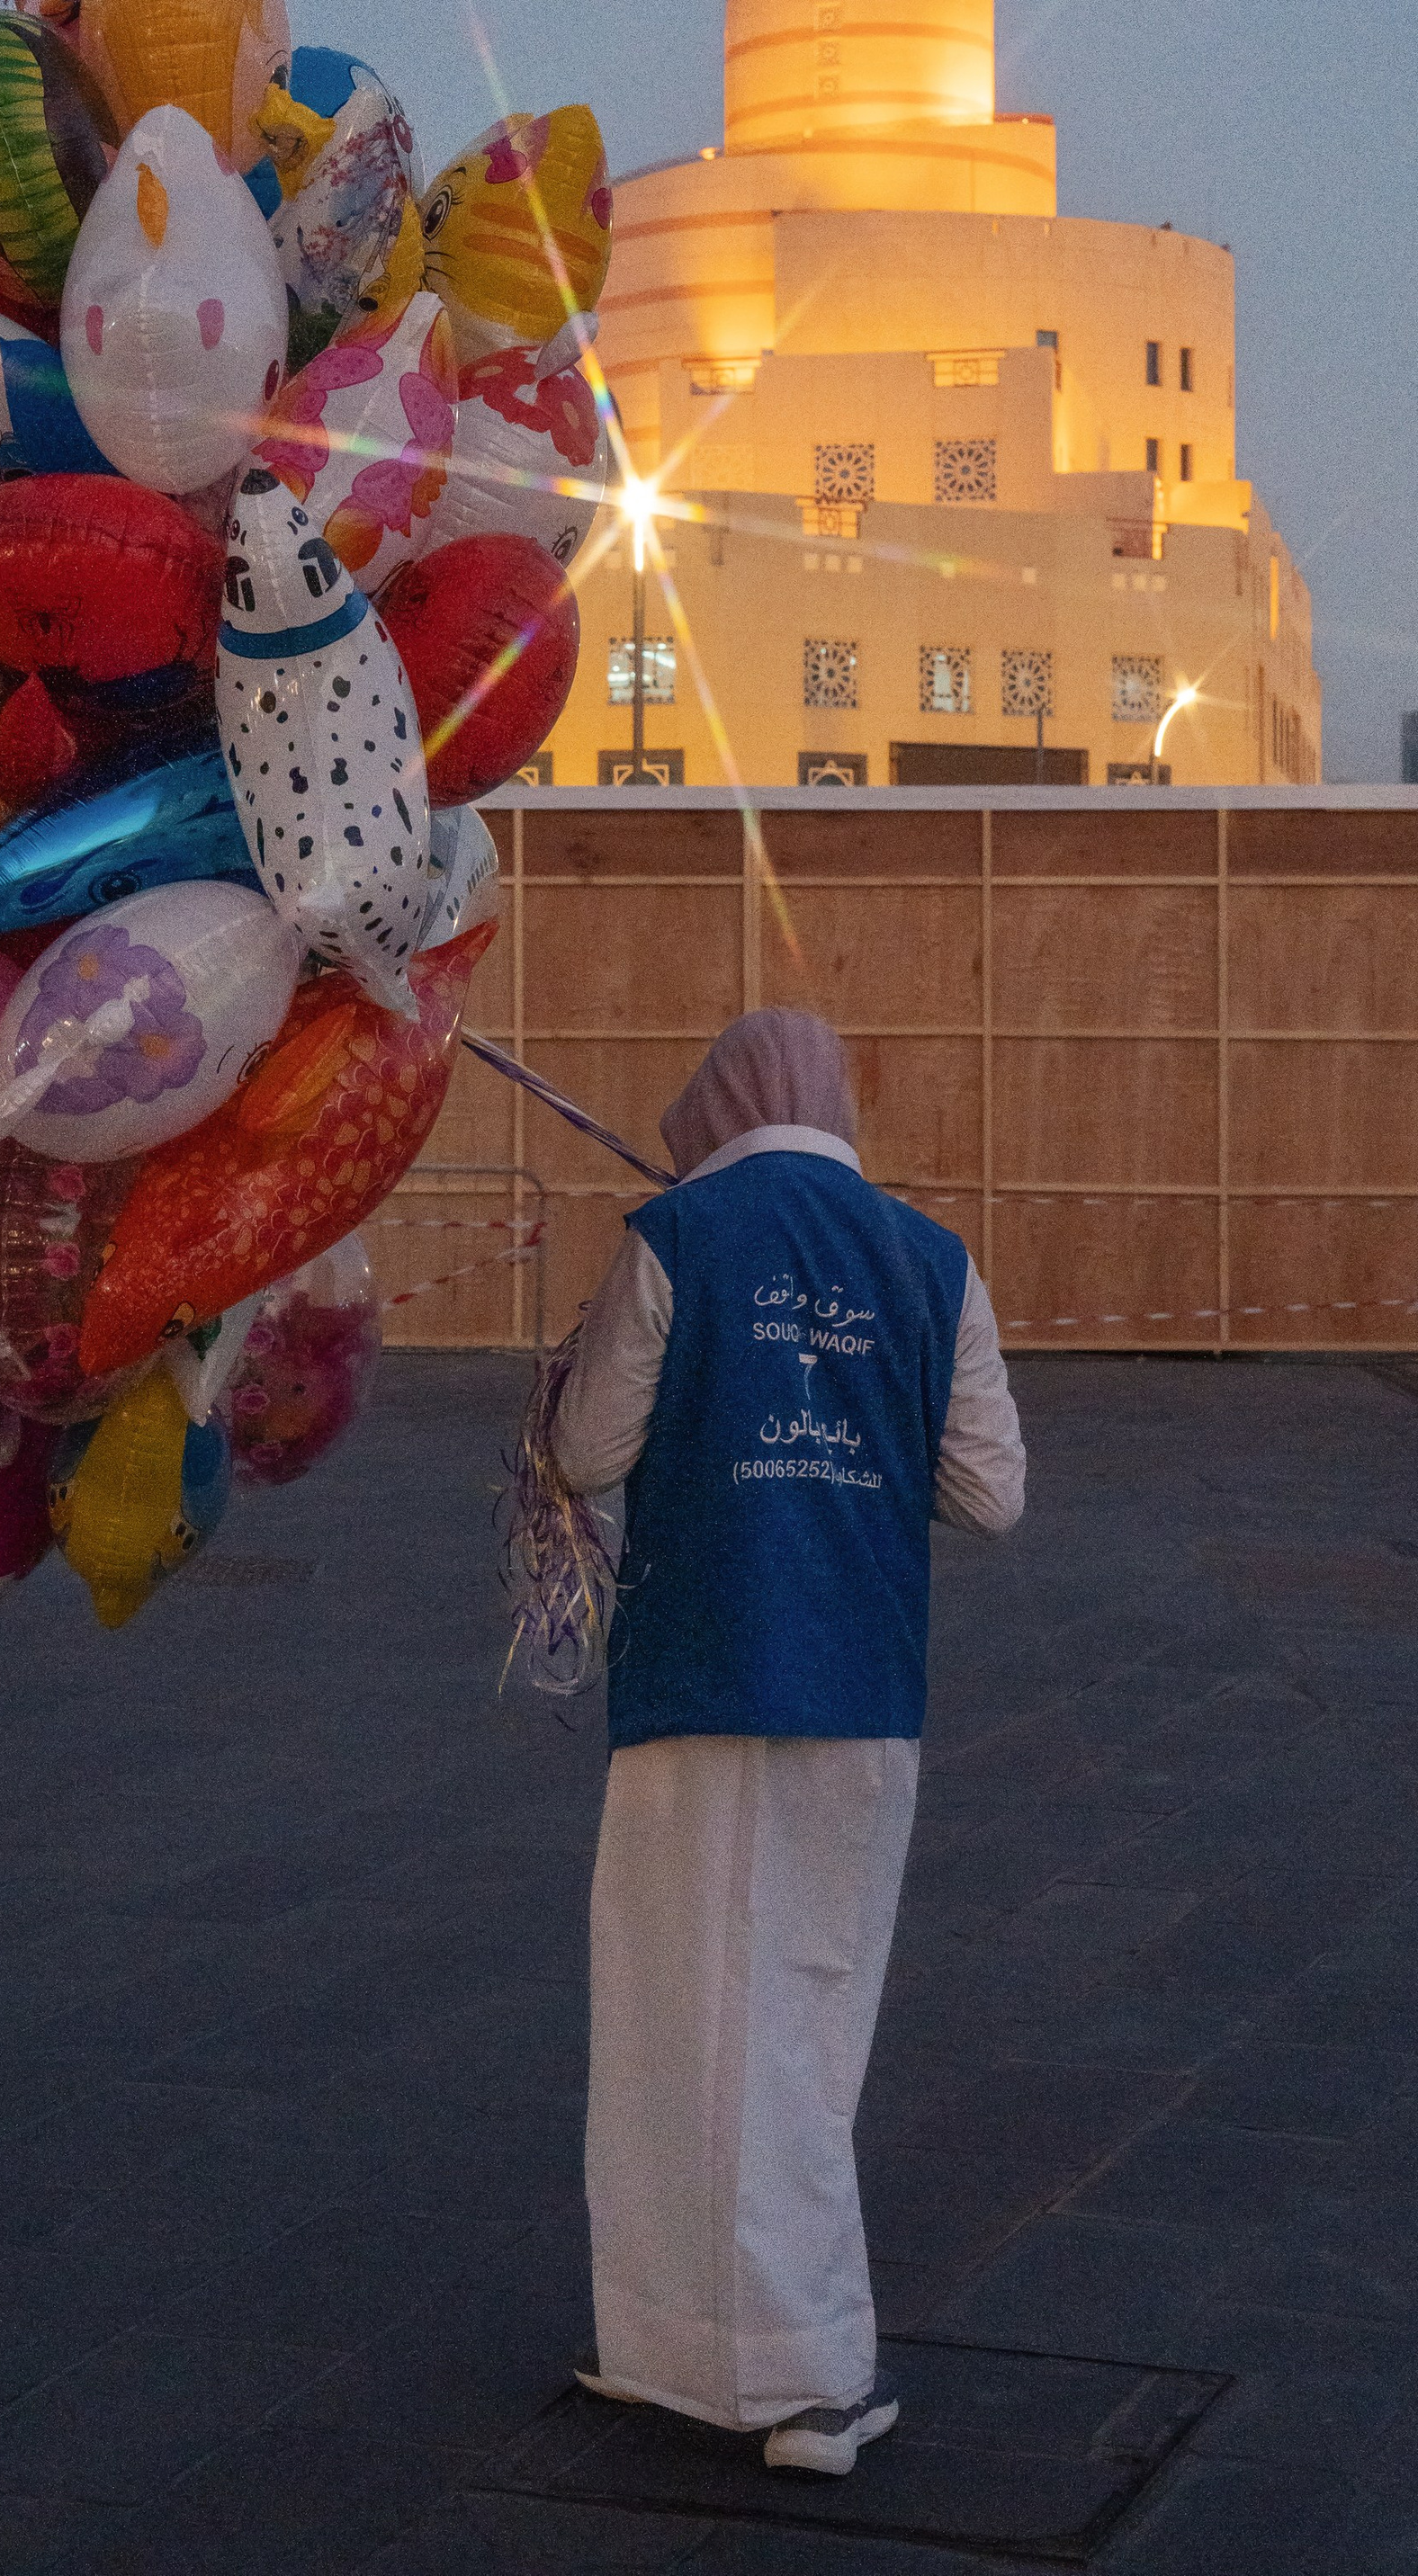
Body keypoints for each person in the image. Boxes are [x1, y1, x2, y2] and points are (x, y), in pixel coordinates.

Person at [553, 1006, 1025, 2477]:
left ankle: (693, 2349)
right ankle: (795, 2371)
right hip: (859, 1691)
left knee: (664, 2015)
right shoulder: (930, 1259)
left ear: (718, 1103)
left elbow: (585, 1455)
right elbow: (994, 1495)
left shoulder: (675, 1239)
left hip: (694, 1675)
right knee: (807, 2025)